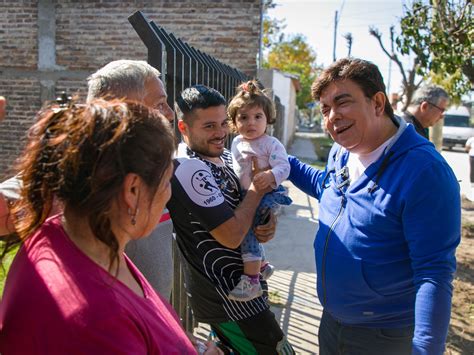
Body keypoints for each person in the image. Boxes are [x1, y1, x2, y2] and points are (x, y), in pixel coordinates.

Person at [0, 100, 221, 354]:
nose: (168, 195)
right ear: (133, 190)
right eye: (166, 182)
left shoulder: (80, 239)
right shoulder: (93, 318)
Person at [288, 58, 460, 354]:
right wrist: (284, 163)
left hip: (382, 337)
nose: (332, 117)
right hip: (331, 324)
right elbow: (326, 188)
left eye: (342, 103)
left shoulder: (425, 171)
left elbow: (433, 272)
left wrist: (426, 349)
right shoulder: (342, 151)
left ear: (378, 103)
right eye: (325, 109)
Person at [0, 60, 175, 299]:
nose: (170, 114)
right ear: (116, 108)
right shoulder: (74, 175)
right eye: (160, 104)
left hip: (149, 324)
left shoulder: (149, 168)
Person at [167, 85, 295, 354]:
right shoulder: (189, 167)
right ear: (184, 127)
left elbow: (246, 207)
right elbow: (232, 234)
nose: (221, 133)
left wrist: (267, 220)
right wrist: (257, 190)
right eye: (210, 126)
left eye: (224, 122)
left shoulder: (225, 155)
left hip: (245, 290)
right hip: (226, 299)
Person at [226, 80, 291, 301]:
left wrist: (269, 175)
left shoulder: (270, 144)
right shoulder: (236, 143)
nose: (250, 123)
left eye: (257, 117)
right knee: (248, 227)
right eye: (243, 117)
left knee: (248, 231)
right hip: (246, 194)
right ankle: (262, 265)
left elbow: (284, 167)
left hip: (268, 192)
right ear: (234, 122)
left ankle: (252, 280)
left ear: (267, 119)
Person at [465, 136, 474, 201]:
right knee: (472, 170)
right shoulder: (471, 139)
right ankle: (472, 183)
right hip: (472, 156)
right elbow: (467, 147)